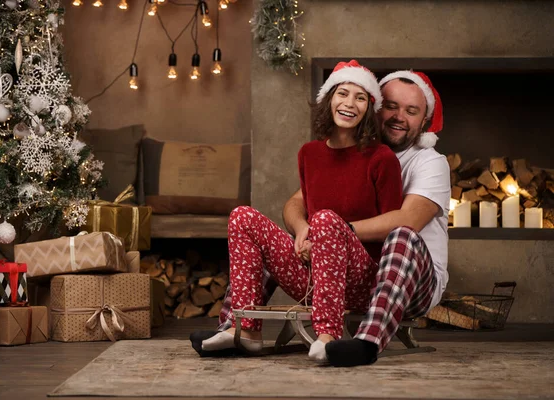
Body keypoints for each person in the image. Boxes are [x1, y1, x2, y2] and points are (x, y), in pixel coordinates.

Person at [192, 68, 450, 368]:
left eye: (411, 110)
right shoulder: (323, 153)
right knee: (254, 222)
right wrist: (303, 230)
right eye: (391, 106)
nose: (398, 116)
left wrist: (336, 231)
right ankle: (239, 328)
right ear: (377, 107)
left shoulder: (428, 162)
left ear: (424, 120)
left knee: (396, 233)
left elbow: (407, 220)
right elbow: (296, 203)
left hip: (412, 280)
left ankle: (366, 342)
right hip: (332, 267)